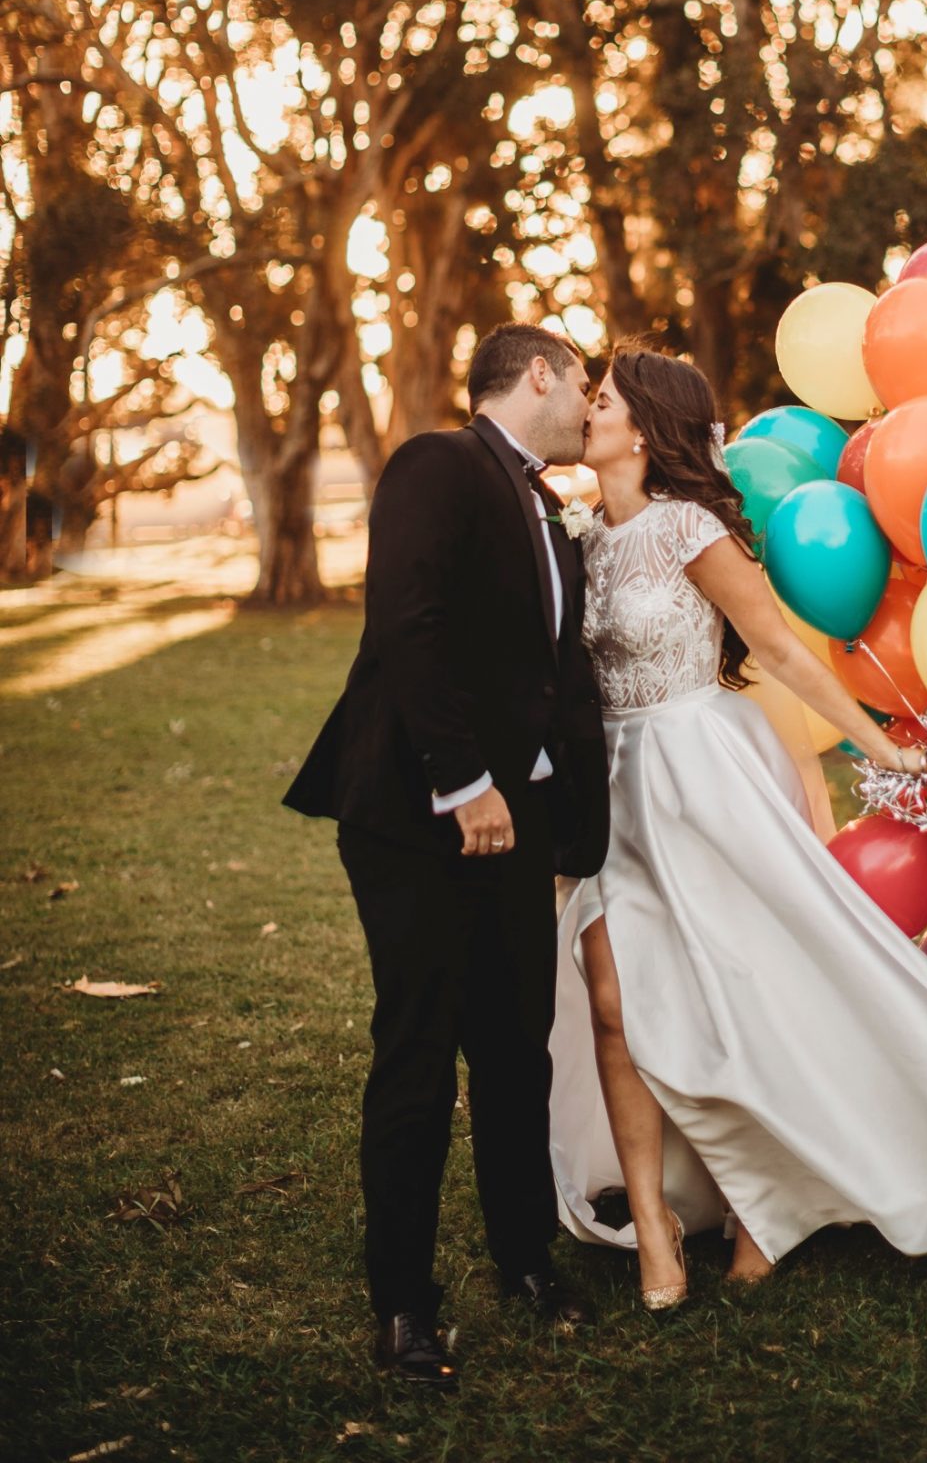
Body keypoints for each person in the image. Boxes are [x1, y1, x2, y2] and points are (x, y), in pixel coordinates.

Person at [549, 345, 927, 1310]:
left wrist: (876, 748)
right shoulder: (579, 537)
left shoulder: (686, 530)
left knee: (748, 986)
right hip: (612, 787)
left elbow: (781, 653)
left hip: (699, 771)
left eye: (602, 400)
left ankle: (770, 1205)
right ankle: (655, 1235)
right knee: (610, 1001)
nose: (587, 413)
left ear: (645, 425)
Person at [285, 324, 610, 1386]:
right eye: (582, 385)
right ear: (537, 376)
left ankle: (524, 1258)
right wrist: (462, 780)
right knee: (418, 1052)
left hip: (515, 820)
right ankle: (403, 1304)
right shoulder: (438, 464)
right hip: (417, 812)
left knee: (519, 1045)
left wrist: (564, 815)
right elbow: (409, 625)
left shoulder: (550, 509)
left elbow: (552, 678)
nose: (588, 405)